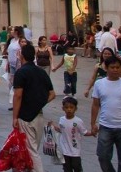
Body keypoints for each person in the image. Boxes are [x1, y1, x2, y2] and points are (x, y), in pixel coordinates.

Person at [90, 55, 121, 172]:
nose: (115, 70)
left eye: (117, 67)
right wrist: (93, 123)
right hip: (105, 126)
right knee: (103, 156)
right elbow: (95, 104)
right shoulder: (99, 84)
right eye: (112, 67)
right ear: (106, 68)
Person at [12, 43, 56, 172]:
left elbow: (18, 95)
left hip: (25, 116)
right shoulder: (41, 72)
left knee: (31, 150)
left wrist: (15, 117)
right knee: (33, 147)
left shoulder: (21, 72)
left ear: (22, 56)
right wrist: (39, 103)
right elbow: (52, 94)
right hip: (39, 115)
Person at [50, 97, 87, 172]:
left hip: (75, 151)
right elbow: (61, 130)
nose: (69, 109)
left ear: (75, 108)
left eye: (71, 107)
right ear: (63, 108)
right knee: (67, 168)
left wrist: (93, 133)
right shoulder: (62, 119)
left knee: (77, 167)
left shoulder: (78, 121)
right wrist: (53, 125)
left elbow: (84, 132)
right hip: (65, 150)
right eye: (66, 107)